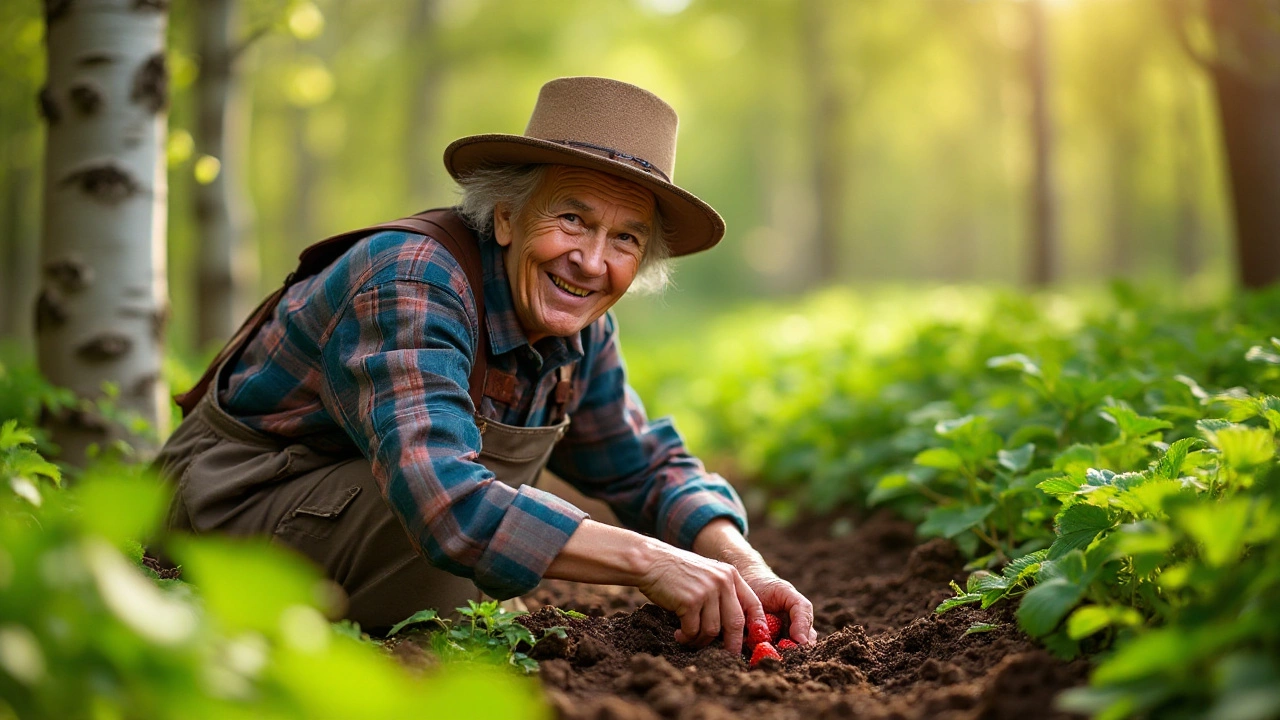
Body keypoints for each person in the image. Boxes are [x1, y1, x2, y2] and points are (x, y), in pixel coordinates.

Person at [155, 76, 815, 654]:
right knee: (436, 515)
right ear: (505, 217)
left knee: (497, 526)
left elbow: (641, 464)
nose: (590, 260)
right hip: (227, 508)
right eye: (571, 219)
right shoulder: (412, 276)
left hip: (329, 518)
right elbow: (445, 502)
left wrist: (740, 563)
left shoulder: (580, 328)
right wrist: (648, 561)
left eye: (624, 238)